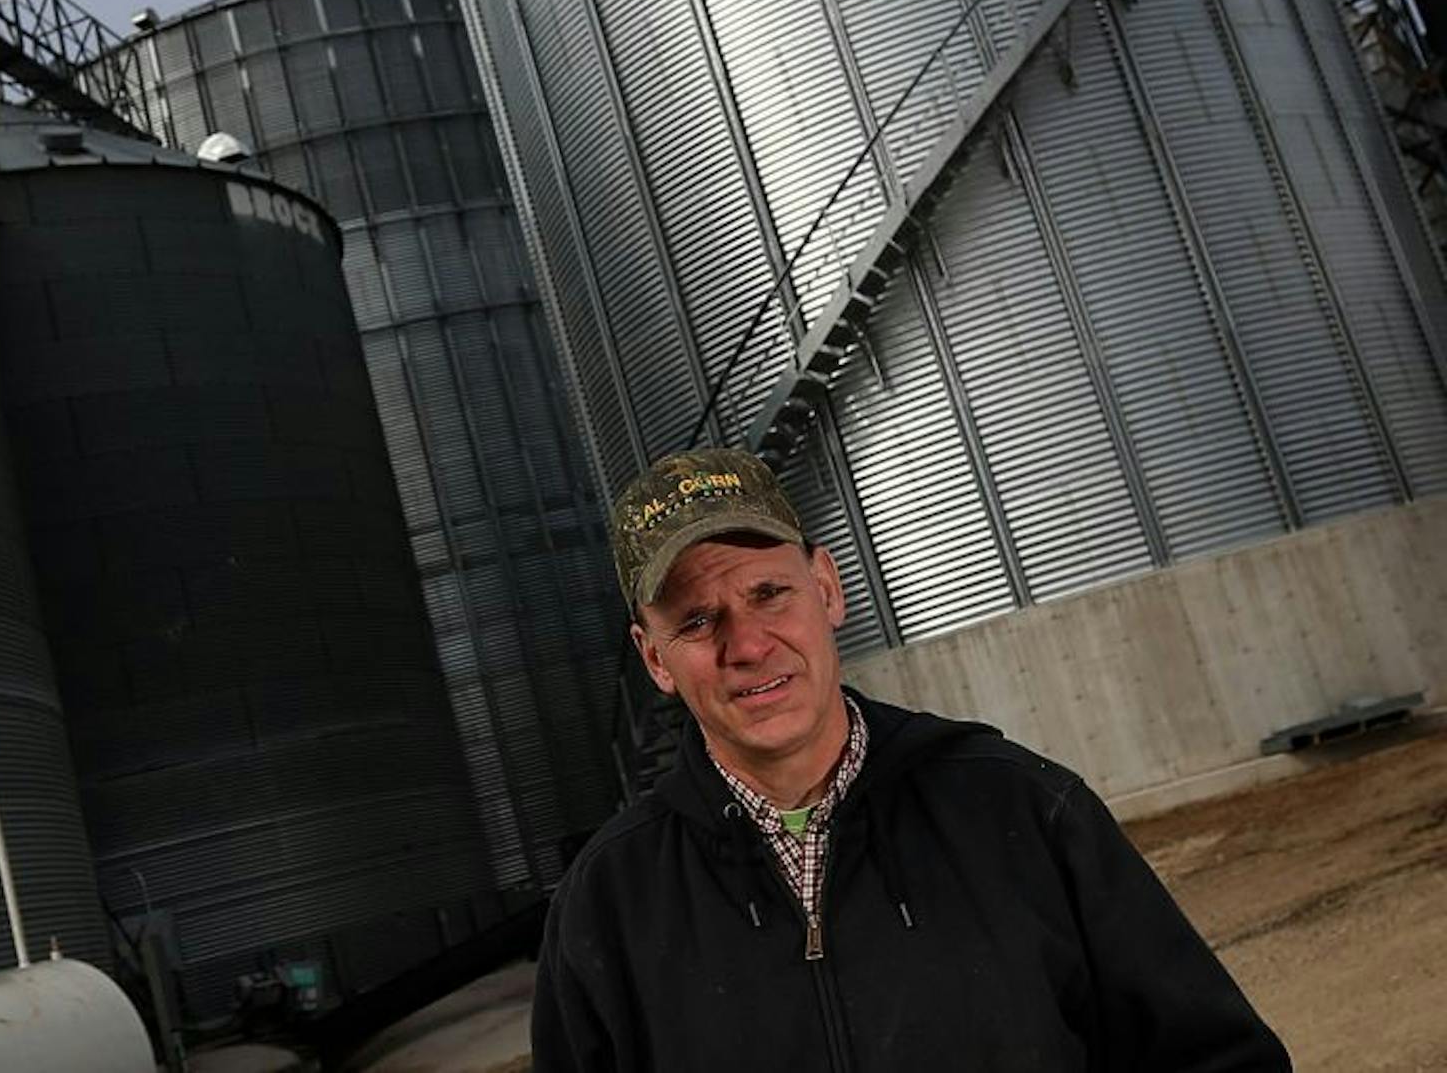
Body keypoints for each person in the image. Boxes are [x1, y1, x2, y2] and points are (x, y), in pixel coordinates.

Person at [531, 447, 1288, 1071]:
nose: (748, 644)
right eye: (697, 619)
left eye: (770, 593)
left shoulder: (1021, 812)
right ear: (654, 657)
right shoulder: (607, 910)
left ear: (826, 587)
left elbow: (1217, 1061)